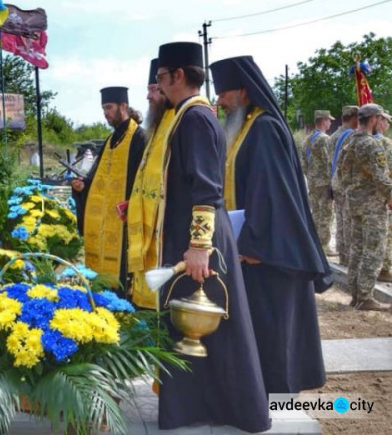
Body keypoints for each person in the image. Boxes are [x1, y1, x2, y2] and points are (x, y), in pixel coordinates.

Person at [151, 42, 270, 432]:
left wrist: (199, 248)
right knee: (197, 329)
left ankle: (237, 410)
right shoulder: (189, 115)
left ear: (178, 75)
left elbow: (206, 188)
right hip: (193, 238)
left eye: (162, 78)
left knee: (213, 327)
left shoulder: (196, 118)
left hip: (200, 242)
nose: (159, 86)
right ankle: (197, 406)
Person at [210, 55, 329, 395]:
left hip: (268, 255)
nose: (218, 101)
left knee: (275, 333)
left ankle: (278, 400)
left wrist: (253, 245)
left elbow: (273, 194)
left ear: (244, 93)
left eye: (224, 94)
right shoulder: (243, 128)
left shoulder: (264, 128)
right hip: (250, 248)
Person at [71, 87, 146, 293]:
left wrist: (132, 205)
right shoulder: (109, 140)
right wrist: (81, 187)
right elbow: (94, 178)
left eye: (109, 107)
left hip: (124, 222)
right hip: (103, 223)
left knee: (122, 280)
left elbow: (145, 179)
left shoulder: (139, 137)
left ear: (123, 106)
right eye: (104, 108)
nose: (106, 113)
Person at [126, 59, 177, 308]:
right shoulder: (156, 125)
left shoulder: (179, 122)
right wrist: (134, 203)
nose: (148, 96)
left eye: (154, 89)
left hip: (166, 234)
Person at [336, 103, 392, 310]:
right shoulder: (371, 145)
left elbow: (340, 174)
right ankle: (366, 297)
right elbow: (381, 178)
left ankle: (356, 295)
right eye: (380, 118)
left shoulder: (349, 142)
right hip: (372, 205)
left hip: (354, 204)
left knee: (357, 249)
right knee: (374, 249)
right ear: (375, 118)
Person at [301, 110, 335, 255]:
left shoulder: (307, 139)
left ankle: (314, 243)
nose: (330, 123)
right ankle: (324, 246)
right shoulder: (324, 139)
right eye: (329, 120)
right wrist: (333, 181)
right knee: (326, 214)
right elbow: (329, 162)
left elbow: (302, 163)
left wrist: (310, 175)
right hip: (325, 182)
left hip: (313, 182)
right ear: (323, 121)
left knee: (315, 213)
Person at [329, 105, 358, 266]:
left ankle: (342, 255)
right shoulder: (352, 136)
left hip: (335, 182)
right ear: (354, 118)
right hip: (346, 184)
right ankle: (348, 256)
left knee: (340, 220)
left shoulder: (333, 136)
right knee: (348, 221)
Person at [374, 111, 392, 283]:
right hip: (384, 197)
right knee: (386, 235)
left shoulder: (358, 140)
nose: (387, 125)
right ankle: (385, 269)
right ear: (379, 122)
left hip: (364, 197)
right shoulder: (385, 143)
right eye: (386, 122)